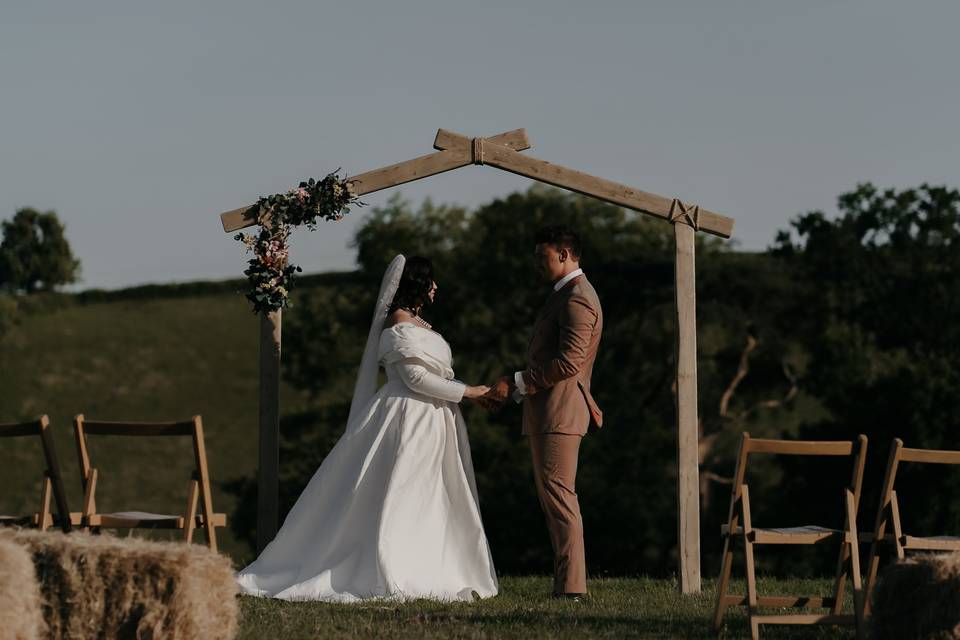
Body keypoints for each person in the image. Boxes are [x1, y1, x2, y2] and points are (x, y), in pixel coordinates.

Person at [236, 255, 498, 602]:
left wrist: (463, 395)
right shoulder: (397, 327)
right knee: (402, 489)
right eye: (430, 281)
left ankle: (433, 564)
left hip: (433, 419)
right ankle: (392, 565)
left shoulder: (419, 324)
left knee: (432, 491)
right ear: (416, 286)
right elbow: (414, 378)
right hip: (407, 418)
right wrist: (468, 392)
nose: (436, 287)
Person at [485, 225, 603, 600]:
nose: (538, 263)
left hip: (560, 412)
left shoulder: (577, 299)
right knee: (553, 498)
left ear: (565, 255)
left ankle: (571, 588)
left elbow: (569, 363)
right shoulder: (565, 295)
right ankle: (566, 584)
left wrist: (517, 382)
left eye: (544, 256)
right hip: (550, 411)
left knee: (560, 498)